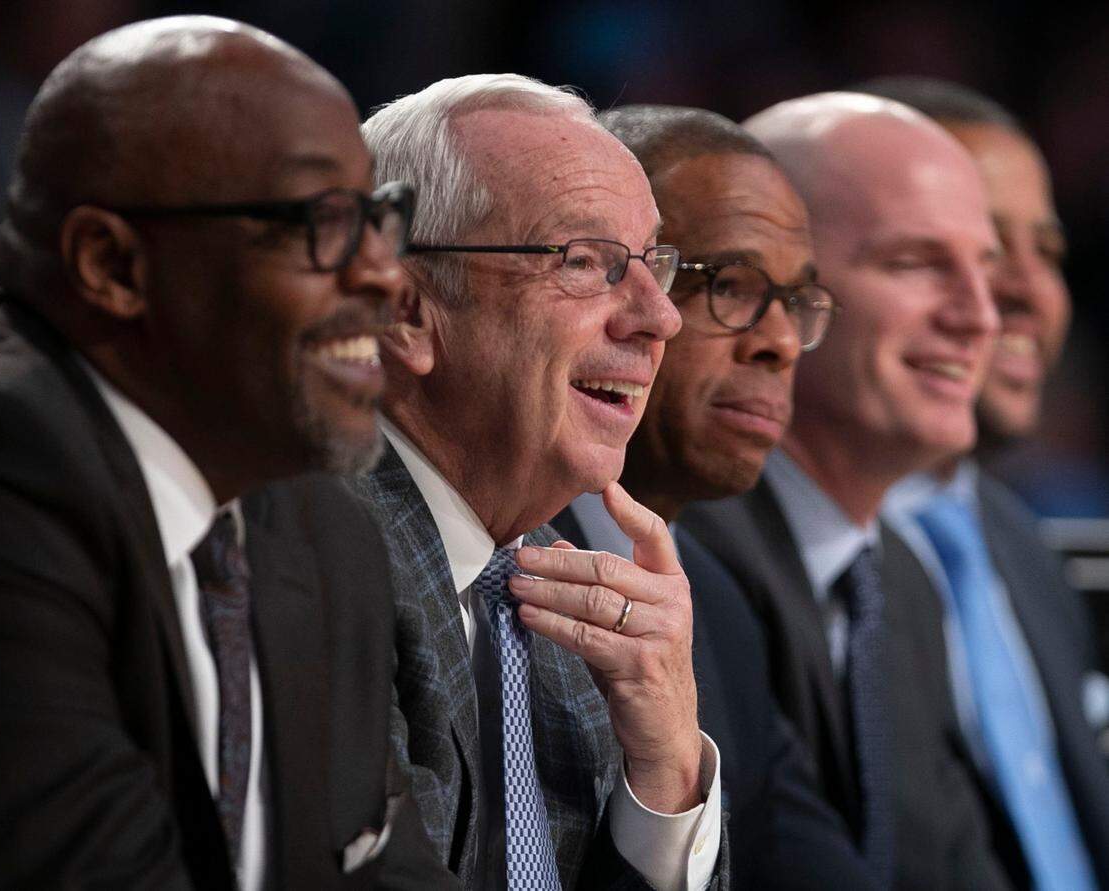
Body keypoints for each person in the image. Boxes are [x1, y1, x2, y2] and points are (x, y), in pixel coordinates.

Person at [0, 16, 451, 889]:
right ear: (112, 263)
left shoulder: (323, 530)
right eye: (322, 220)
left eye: (380, 218)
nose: (385, 272)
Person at [355, 75, 729, 889]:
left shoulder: (569, 607)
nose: (659, 316)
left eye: (651, 264)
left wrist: (664, 770)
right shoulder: (318, 553)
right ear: (405, 310)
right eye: (586, 262)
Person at [681, 92, 1012, 890]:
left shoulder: (900, 575)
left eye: (986, 269)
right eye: (916, 263)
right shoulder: (689, 556)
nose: (981, 317)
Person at [550, 104, 879, 889]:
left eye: (798, 304)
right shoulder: (481, 557)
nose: (780, 342)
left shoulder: (720, 605)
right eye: (728, 284)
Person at [857, 76, 1109, 890]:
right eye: (960, 253)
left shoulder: (1015, 543)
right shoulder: (780, 560)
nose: (1025, 295)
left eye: (1048, 252)